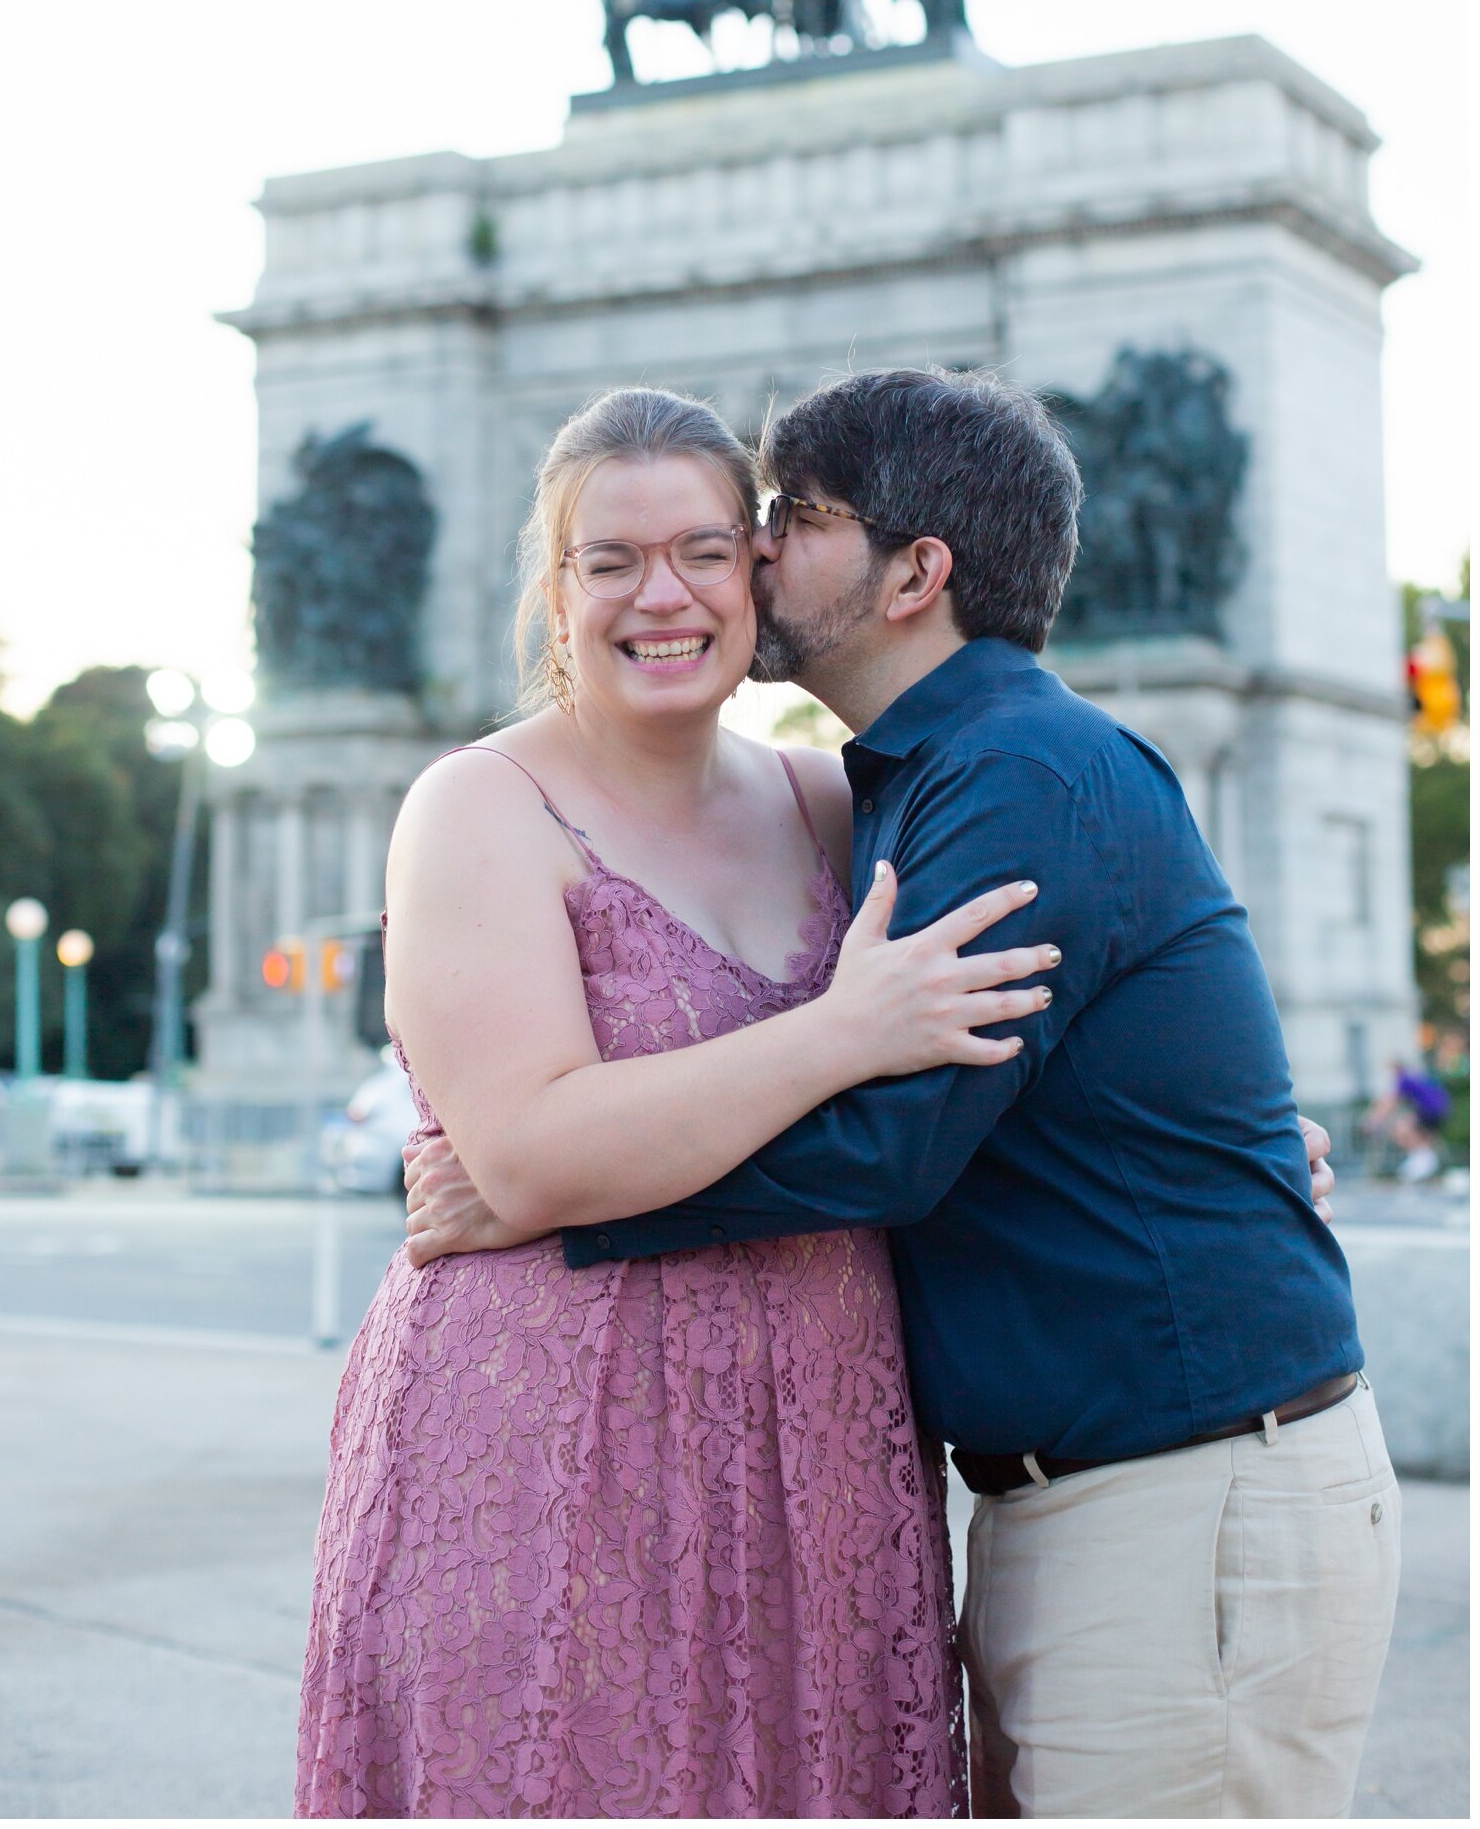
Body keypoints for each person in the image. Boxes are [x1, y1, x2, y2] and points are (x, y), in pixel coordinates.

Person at [410, 368, 1394, 1820]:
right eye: (613, 556)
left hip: (1181, 1501)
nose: (749, 557)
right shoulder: (902, 784)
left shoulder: (1014, 771)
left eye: (785, 523)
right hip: (1069, 1501)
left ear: (914, 573)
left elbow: (891, 1145)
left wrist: (545, 1190)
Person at [295, 387, 1064, 1820]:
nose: (664, 596)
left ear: (760, 575)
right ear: (558, 588)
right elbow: (526, 1156)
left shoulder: (838, 805)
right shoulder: (476, 808)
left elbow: (1004, 1032)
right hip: (547, 1440)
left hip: (821, 1455)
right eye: (611, 561)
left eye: (705, 551)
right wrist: (835, 1036)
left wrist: (1228, 1148)